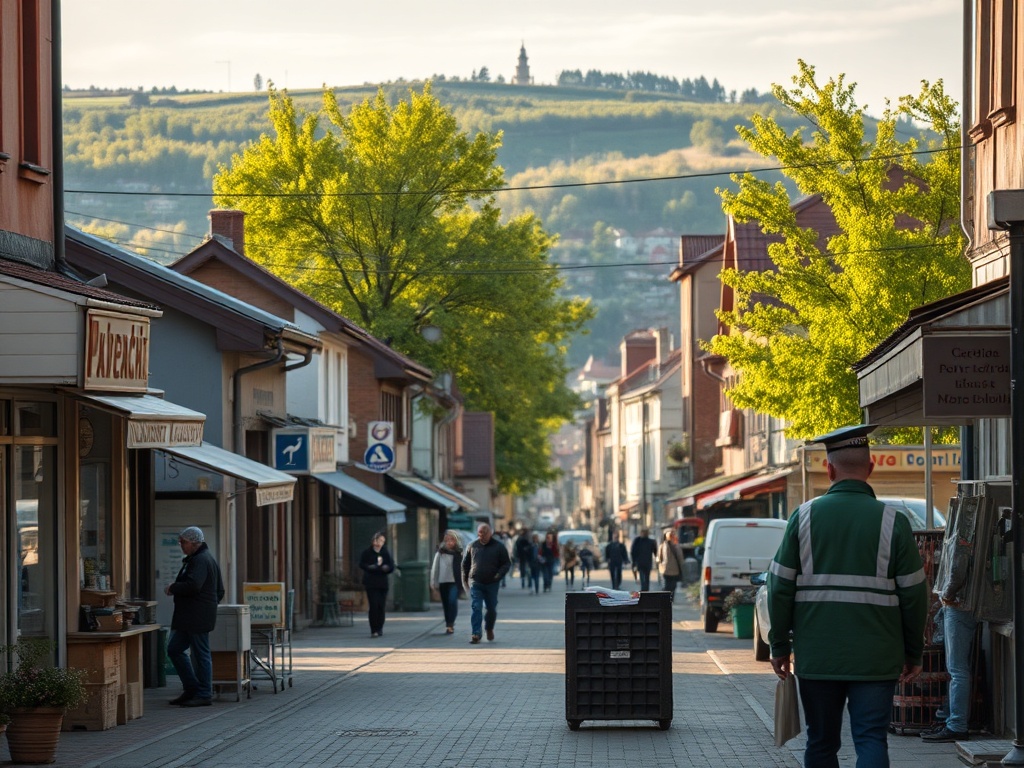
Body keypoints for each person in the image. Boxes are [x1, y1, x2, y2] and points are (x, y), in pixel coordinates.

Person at [766, 424, 928, 768]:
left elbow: (779, 587)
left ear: (829, 469)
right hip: (877, 657)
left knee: (821, 742)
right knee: (870, 738)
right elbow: (915, 595)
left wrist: (779, 645)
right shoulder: (893, 522)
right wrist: (913, 651)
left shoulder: (804, 517)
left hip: (819, 655)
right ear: (870, 469)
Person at [165, 526, 224, 707]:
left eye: (183, 542)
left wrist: (173, 587)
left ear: (193, 542)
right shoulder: (199, 559)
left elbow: (194, 585)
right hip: (190, 617)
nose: (181, 545)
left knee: (201, 654)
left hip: (196, 617)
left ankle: (204, 693)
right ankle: (191, 688)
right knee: (174, 649)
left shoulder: (200, 560)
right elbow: (219, 591)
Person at [462, 523, 511, 644]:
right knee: (476, 607)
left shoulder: (498, 547)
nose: (482, 535)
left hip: (492, 583)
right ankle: (476, 634)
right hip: (476, 582)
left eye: (485, 532)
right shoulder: (472, 546)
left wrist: (498, 575)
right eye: (480, 532)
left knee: (491, 609)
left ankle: (489, 628)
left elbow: (506, 563)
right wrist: (464, 581)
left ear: (491, 533)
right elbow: (465, 565)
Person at [358, 531, 395, 638]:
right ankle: (373, 629)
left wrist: (386, 568)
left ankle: (380, 628)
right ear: (374, 541)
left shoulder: (385, 552)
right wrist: (370, 567)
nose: (381, 543)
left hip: (382, 583)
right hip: (371, 582)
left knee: (381, 606)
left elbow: (391, 565)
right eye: (379, 540)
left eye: (383, 541)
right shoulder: (367, 552)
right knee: (373, 605)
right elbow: (362, 564)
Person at [430, 530, 465, 635]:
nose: (449, 542)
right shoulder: (440, 553)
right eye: (447, 540)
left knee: (452, 601)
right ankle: (448, 623)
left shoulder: (460, 553)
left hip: (455, 582)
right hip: (443, 581)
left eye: (452, 540)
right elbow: (435, 568)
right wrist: (433, 582)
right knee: (446, 604)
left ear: (456, 541)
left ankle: (451, 623)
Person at [657, 530, 685, 600]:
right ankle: (671, 598)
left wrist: (660, 565)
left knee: (666, 585)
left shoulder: (662, 546)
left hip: (665, 570)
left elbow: (658, 558)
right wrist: (682, 567)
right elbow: (680, 558)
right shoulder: (676, 546)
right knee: (673, 585)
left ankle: (665, 598)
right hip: (675, 570)